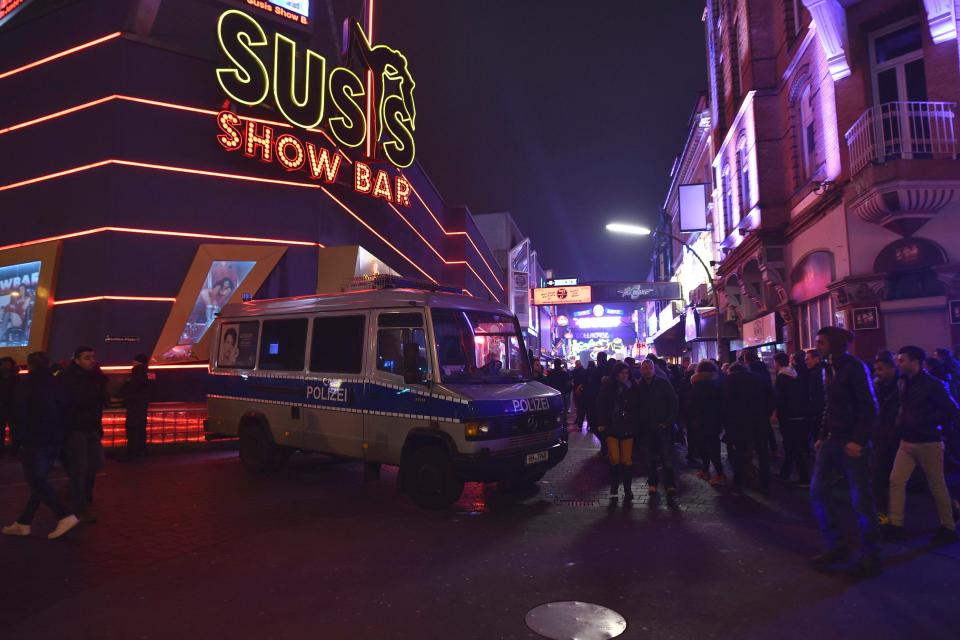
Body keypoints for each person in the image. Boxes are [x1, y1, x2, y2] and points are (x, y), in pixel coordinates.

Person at [809, 326, 881, 578]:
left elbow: (869, 406)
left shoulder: (855, 367)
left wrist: (859, 440)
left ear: (835, 343)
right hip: (832, 441)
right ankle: (837, 545)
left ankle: (870, 556)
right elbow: (829, 406)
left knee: (861, 500)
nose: (817, 346)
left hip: (851, 443)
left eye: (821, 342)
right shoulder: (828, 368)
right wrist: (821, 436)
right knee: (818, 493)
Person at [882, 346, 960, 546]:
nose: (898, 364)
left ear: (915, 361)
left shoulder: (933, 385)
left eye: (902, 360)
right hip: (907, 440)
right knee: (896, 480)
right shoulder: (902, 383)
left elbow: (952, 410)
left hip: (929, 441)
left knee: (936, 484)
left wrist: (926, 421)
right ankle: (896, 524)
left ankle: (948, 526)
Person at [2, 352, 79, 539]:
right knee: (40, 481)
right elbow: (68, 409)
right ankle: (23, 522)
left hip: (34, 440)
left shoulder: (26, 385)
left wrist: (16, 441)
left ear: (30, 365)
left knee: (36, 481)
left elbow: (18, 416)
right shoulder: (58, 383)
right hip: (56, 438)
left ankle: (64, 515)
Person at [61, 346, 109, 522]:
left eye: (92, 357)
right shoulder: (70, 378)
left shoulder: (94, 377)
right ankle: (80, 506)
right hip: (75, 428)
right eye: (87, 358)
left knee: (96, 463)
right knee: (80, 468)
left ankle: (74, 493)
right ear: (77, 360)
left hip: (91, 426)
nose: (92, 360)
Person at [722, 362, 775, 494]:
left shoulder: (728, 381)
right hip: (759, 421)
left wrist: (727, 422)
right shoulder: (759, 378)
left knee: (739, 452)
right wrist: (765, 413)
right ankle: (765, 482)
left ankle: (738, 482)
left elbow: (723, 403)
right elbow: (773, 397)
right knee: (762, 452)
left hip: (739, 422)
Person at [636, 359, 679, 496]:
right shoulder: (638, 386)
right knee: (649, 459)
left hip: (662, 427)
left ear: (653, 369)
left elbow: (673, 403)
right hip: (647, 428)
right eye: (645, 368)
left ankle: (670, 484)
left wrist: (667, 422)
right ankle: (653, 483)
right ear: (641, 370)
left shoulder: (663, 383)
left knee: (666, 457)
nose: (647, 370)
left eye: (650, 368)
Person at [596, 363, 638, 500]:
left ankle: (627, 489)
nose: (624, 375)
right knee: (614, 457)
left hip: (628, 426)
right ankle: (614, 484)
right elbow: (601, 405)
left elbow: (638, 406)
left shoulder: (633, 387)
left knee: (626, 459)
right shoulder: (608, 387)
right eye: (621, 372)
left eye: (626, 372)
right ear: (616, 373)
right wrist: (601, 423)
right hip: (612, 426)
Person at [872, 352, 900, 525]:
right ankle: (882, 513)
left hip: (900, 438)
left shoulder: (901, 385)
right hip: (881, 438)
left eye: (880, 369)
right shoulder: (877, 387)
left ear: (891, 369)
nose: (877, 373)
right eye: (876, 369)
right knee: (879, 476)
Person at [687, 360, 725, 486]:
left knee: (705, 447)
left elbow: (692, 405)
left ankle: (715, 473)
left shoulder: (697, 385)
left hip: (700, 421)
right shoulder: (717, 384)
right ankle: (712, 471)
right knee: (713, 447)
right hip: (714, 421)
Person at [774, 352, 810, 485]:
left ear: (777, 362)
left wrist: (777, 414)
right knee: (792, 445)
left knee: (792, 446)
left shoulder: (782, 377)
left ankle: (805, 477)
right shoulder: (795, 374)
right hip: (800, 413)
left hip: (788, 416)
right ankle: (785, 473)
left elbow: (780, 399)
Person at [119, 354, 152, 460]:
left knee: (132, 428)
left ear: (137, 361)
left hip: (134, 405)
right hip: (142, 405)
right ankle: (141, 450)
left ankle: (132, 452)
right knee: (141, 428)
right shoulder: (146, 372)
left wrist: (123, 395)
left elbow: (131, 387)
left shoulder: (136, 372)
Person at [805, 349, 826, 447]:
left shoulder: (815, 373)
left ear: (816, 359)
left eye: (808, 359)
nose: (806, 362)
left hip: (818, 411)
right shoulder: (823, 370)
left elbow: (814, 395)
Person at [0, 356, 18, 457]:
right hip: (4, 407)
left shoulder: (15, 378)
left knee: (14, 430)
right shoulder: (15, 378)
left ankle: (14, 450)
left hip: (11, 407)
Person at [571, 361, 588, 428]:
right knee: (579, 406)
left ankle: (579, 420)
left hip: (579, 390)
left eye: (578, 364)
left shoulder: (579, 371)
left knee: (580, 406)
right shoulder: (581, 371)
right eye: (577, 364)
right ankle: (579, 420)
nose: (577, 365)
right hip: (579, 390)